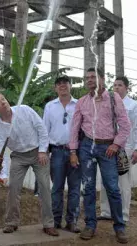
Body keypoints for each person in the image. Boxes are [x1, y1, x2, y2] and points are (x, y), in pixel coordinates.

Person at [69, 68, 131, 244]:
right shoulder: (81, 102)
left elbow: (125, 125)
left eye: (93, 77)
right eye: (87, 78)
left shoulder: (114, 98)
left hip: (108, 148)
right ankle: (90, 225)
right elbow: (74, 128)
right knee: (87, 188)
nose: (90, 80)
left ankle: (120, 227)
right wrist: (73, 151)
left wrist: (116, 144)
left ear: (102, 79)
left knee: (112, 188)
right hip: (87, 146)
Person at [0, 92, 58, 236]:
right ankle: (11, 222)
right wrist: (3, 174)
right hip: (18, 157)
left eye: (3, 99)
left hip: (37, 152)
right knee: (13, 188)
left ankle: (48, 224)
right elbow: (0, 154)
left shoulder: (24, 110)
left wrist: (43, 150)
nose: (3, 102)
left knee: (45, 187)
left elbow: (42, 129)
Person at [99, 76, 137, 225]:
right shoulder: (107, 103)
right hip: (107, 146)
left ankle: (123, 214)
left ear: (126, 88)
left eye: (120, 85)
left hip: (125, 148)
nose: (116, 88)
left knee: (123, 183)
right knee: (106, 180)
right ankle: (106, 211)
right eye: (115, 85)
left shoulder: (134, 106)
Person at [43, 75, 81, 233]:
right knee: (56, 188)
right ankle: (56, 221)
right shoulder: (50, 106)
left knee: (75, 188)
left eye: (65, 83)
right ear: (55, 88)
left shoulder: (79, 105)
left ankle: (72, 222)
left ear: (70, 86)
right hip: (57, 151)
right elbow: (44, 130)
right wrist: (43, 151)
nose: (62, 86)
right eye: (59, 84)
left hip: (76, 152)